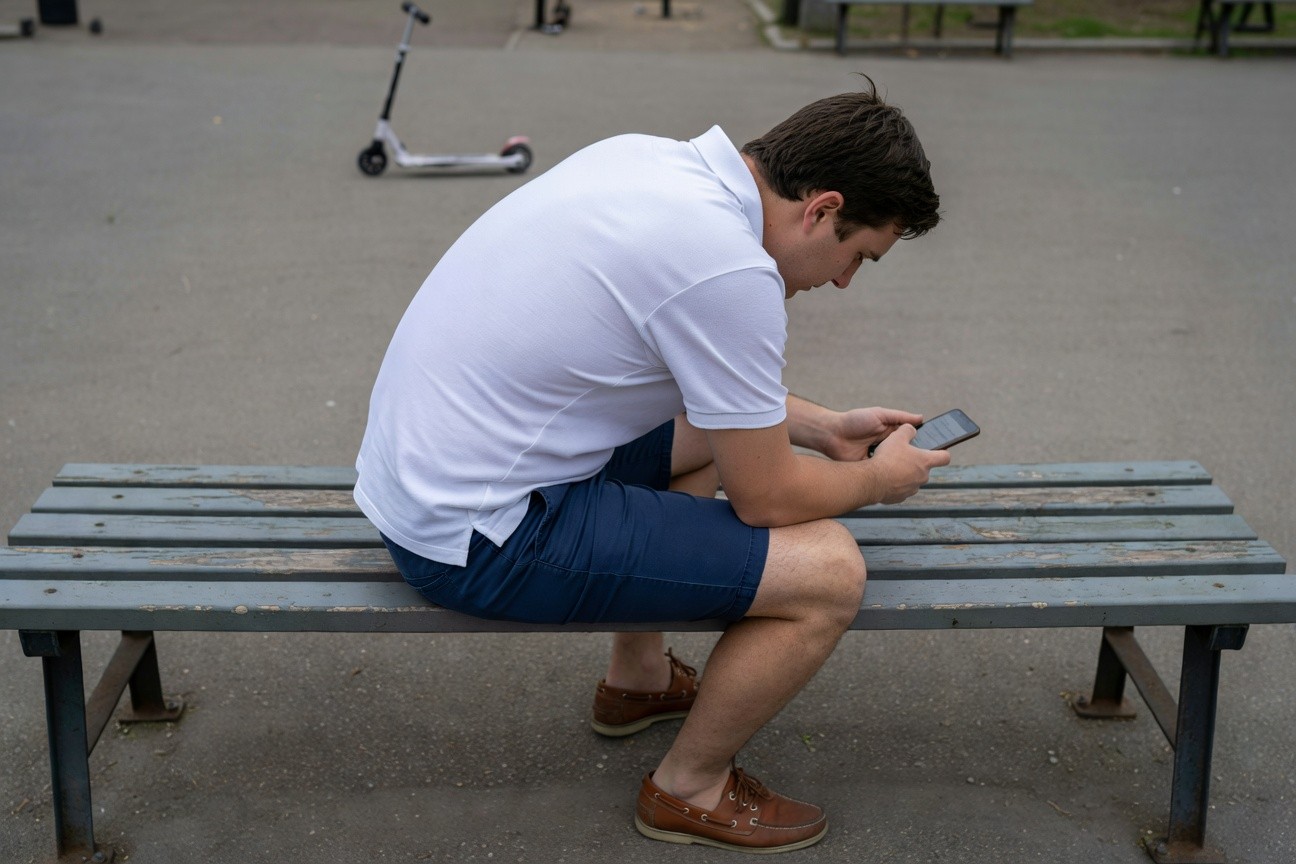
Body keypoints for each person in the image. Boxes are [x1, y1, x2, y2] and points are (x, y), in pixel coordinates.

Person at [354, 80, 946, 853]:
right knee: (830, 571)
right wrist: (877, 480)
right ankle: (689, 788)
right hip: (478, 537)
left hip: (426, 484)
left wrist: (823, 426)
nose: (841, 281)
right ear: (823, 208)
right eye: (856, 256)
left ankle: (639, 680)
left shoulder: (647, 163)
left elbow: (709, 394)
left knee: (701, 436)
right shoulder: (730, 270)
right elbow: (767, 499)